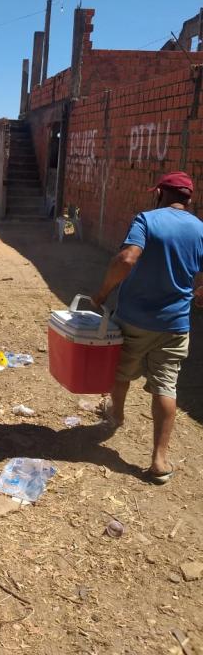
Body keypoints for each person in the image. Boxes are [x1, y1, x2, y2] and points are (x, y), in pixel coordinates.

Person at [91, 171, 203, 484]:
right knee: (166, 385)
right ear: (189, 199)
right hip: (175, 324)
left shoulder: (146, 219)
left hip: (133, 320)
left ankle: (117, 415)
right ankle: (159, 459)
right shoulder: (201, 229)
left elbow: (127, 259)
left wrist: (102, 294)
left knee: (121, 371)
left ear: (160, 194)